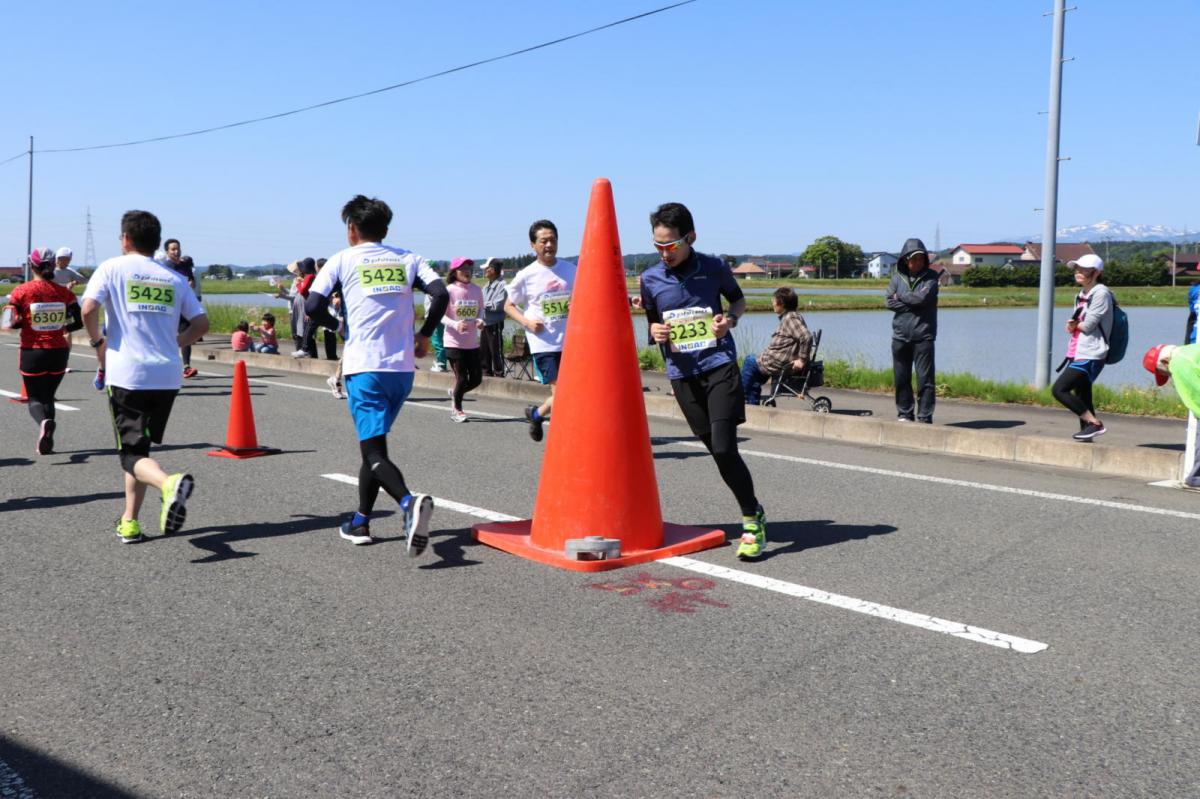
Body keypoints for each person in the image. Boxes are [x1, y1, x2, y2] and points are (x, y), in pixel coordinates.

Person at [305, 195, 447, 552]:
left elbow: (312, 304)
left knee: (373, 452)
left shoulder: (342, 259)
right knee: (373, 447)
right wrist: (425, 334)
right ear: (385, 228)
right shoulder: (408, 258)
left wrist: (337, 326)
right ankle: (360, 521)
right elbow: (441, 293)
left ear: (351, 229)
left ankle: (408, 503)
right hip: (401, 370)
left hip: (365, 366)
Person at [639, 202, 766, 560]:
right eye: (658, 246)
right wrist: (654, 330)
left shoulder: (713, 267)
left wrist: (730, 320)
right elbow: (652, 319)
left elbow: (738, 301)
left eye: (671, 245)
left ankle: (751, 521)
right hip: (682, 375)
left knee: (725, 447)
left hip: (718, 365)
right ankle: (755, 508)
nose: (664, 253)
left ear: (690, 238)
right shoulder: (650, 279)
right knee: (716, 451)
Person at [81, 210, 209, 544]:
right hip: (167, 376)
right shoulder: (173, 278)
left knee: (130, 454)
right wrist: (176, 342)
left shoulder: (112, 268)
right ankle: (130, 521)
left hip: (128, 374)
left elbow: (88, 308)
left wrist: (97, 343)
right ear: (156, 242)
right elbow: (201, 324)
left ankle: (168, 484)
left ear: (125, 239)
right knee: (139, 449)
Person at [2, 248, 83, 454]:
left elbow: (8, 323)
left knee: (34, 399)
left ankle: (44, 423)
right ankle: (47, 440)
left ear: (31, 266)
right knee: (48, 396)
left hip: (33, 351)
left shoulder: (21, 291)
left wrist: (22, 323)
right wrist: (62, 328)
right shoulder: (64, 292)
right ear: (53, 265)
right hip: (59, 352)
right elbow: (78, 322)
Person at [505, 220, 577, 441]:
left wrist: (577, 305)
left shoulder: (571, 270)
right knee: (562, 393)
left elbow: (585, 297)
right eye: (543, 241)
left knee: (570, 392)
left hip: (572, 341)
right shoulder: (526, 275)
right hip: (544, 342)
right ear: (533, 245)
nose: (549, 245)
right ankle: (567, 440)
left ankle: (536, 414)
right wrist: (526, 322)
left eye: (552, 240)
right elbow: (508, 306)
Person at [1051, 254, 1113, 441]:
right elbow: (1079, 323)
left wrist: (1076, 325)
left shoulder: (1101, 293)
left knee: (1059, 390)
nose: (1078, 272)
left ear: (1097, 272)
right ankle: (1088, 434)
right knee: (1083, 395)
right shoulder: (1081, 295)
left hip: (1092, 352)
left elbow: (1088, 325)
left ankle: (1094, 423)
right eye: (1077, 268)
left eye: (1084, 269)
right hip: (1078, 350)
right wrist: (1073, 325)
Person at [886, 238, 939, 423]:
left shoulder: (932, 277)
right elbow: (889, 302)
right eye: (913, 258)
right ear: (905, 259)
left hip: (923, 336)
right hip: (900, 336)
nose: (917, 262)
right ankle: (905, 414)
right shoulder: (896, 278)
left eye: (921, 258)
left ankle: (924, 416)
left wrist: (900, 296)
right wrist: (913, 303)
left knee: (925, 379)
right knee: (901, 378)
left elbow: (922, 299)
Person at [741, 287, 813, 406]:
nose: (772, 303)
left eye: (774, 300)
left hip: (777, 363)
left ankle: (746, 401)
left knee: (749, 362)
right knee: (754, 369)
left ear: (782, 303)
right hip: (776, 361)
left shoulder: (791, 319)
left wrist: (802, 360)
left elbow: (806, 336)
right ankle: (751, 401)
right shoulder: (792, 316)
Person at [1144, 344, 1200, 487]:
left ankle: (1196, 478)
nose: (1167, 375)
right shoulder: (1190, 349)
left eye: (1162, 373)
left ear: (1164, 362)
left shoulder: (1178, 365)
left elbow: (1195, 395)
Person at [442, 257, 486, 421]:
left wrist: (480, 320)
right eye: (463, 269)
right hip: (453, 342)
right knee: (461, 378)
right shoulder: (449, 290)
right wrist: (455, 324)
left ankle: (456, 393)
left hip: (471, 343)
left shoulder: (476, 289)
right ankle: (457, 410)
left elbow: (481, 310)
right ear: (455, 272)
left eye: (469, 269)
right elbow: (439, 315)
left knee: (476, 379)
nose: (467, 272)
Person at [160, 239, 200, 378]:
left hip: (183, 306)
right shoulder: (164, 267)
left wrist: (190, 283)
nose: (176, 252)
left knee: (186, 335)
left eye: (178, 249)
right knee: (166, 336)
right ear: (167, 251)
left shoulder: (185, 265)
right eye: (173, 249)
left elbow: (192, 282)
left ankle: (186, 366)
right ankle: (163, 364)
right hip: (168, 307)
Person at [480, 258, 507, 377]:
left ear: (493, 270)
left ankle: (499, 374)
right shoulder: (486, 286)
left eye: (487, 268)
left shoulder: (503, 285)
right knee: (484, 351)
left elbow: (499, 304)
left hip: (495, 323)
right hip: (485, 323)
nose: (485, 271)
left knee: (496, 351)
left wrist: (482, 304)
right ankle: (485, 373)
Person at [424, 287, 449, 372]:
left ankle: (441, 365)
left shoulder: (433, 290)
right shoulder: (436, 289)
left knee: (437, 342)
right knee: (439, 341)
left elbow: (437, 302)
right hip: (438, 319)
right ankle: (441, 363)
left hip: (435, 319)